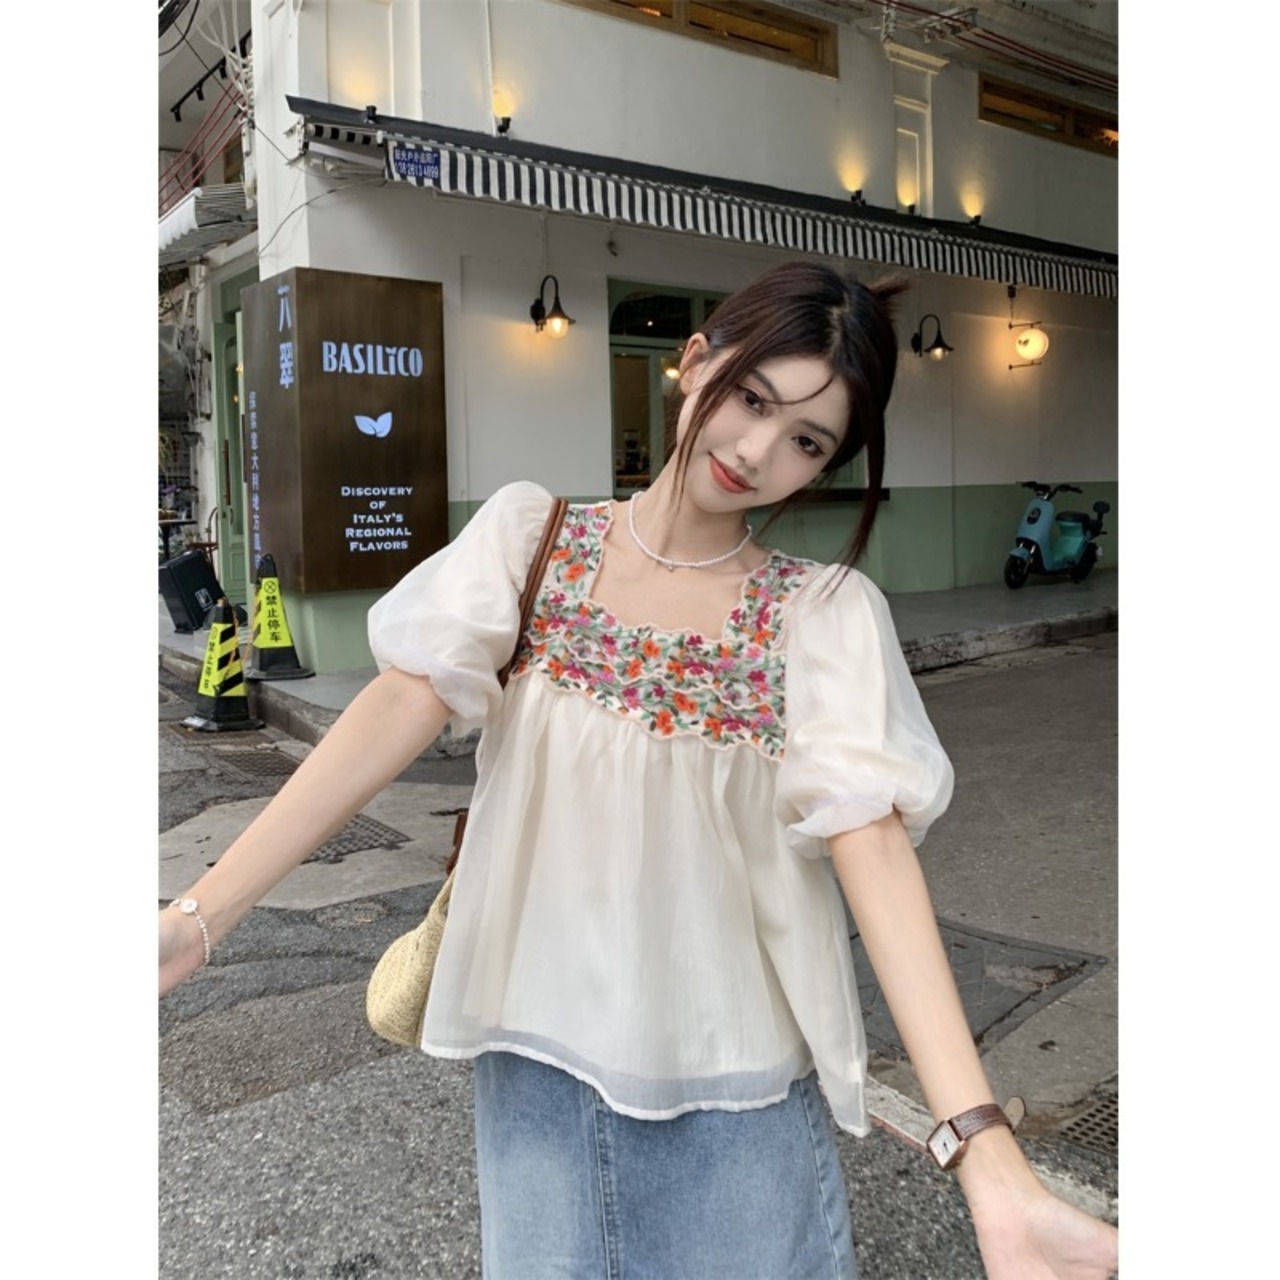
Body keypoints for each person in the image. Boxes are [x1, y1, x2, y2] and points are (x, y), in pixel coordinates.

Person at [160, 260, 1119, 1278]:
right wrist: (198, 918)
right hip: (533, 1065)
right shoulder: (531, 542)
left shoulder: (823, 615)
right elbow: (391, 710)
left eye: (806, 441)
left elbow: (872, 848)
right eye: (752, 399)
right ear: (693, 363)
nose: (756, 450)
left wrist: (986, 1155)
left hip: (733, 1090)